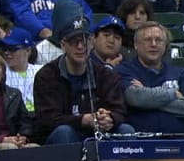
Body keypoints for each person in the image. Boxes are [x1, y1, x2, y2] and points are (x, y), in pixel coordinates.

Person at [33, 8, 133, 144]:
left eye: (84, 41)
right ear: (63, 45)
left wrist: (110, 119)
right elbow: (47, 120)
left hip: (97, 134)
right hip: (61, 138)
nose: (80, 46)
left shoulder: (106, 75)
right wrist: (82, 120)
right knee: (64, 132)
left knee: (125, 130)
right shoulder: (46, 76)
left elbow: (120, 110)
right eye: (74, 41)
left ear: (91, 43)